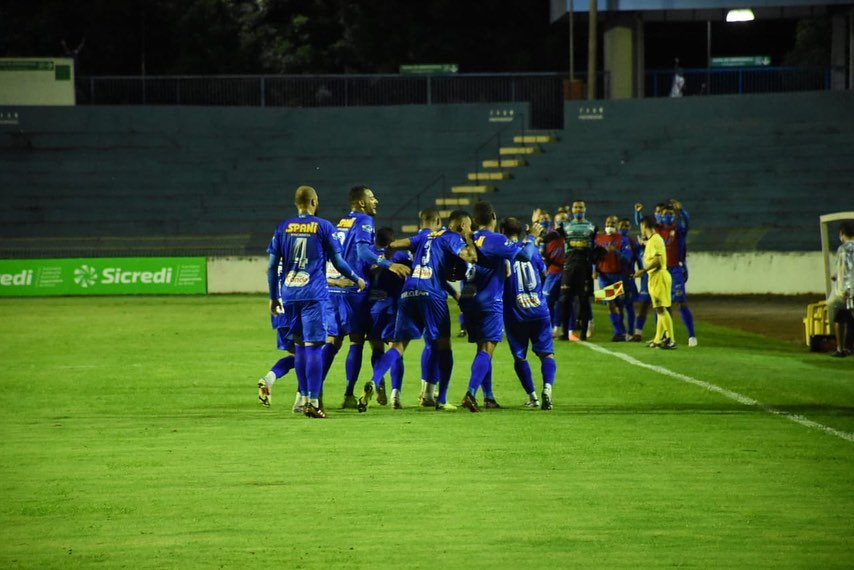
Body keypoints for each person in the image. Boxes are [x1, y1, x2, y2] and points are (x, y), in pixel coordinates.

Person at [359, 210, 478, 412]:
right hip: (432, 293)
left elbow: (393, 245)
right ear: (461, 225)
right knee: (444, 346)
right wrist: (468, 238)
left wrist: (389, 260)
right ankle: (442, 399)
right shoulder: (452, 237)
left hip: (408, 292)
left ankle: (374, 380)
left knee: (398, 346)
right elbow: (471, 257)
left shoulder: (422, 237)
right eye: (468, 226)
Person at [267, 185, 365, 418]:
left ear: (296, 203)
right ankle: (313, 401)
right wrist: (356, 278)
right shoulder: (323, 227)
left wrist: (273, 297)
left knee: (300, 347)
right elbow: (338, 262)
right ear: (313, 202)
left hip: (289, 294)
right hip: (313, 294)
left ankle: (302, 400)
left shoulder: (282, 227)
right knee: (313, 347)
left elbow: (271, 267)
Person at [323, 186, 410, 409]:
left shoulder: (342, 223)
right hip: (355, 289)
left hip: (335, 289)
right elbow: (362, 252)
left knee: (333, 342)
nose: (376, 201)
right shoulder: (364, 220)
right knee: (357, 342)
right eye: (371, 198)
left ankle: (310, 392)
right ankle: (348, 394)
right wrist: (388, 264)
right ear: (361, 203)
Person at [458, 201, 544, 412]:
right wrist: (532, 237)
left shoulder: (469, 238)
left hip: (468, 299)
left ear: (475, 220)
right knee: (487, 349)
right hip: (489, 301)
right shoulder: (495, 239)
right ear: (494, 217)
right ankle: (470, 393)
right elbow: (525, 256)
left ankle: (488, 397)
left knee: (482, 349)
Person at [501, 216, 556, 410]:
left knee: (519, 357)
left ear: (501, 231)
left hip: (516, 312)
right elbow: (543, 271)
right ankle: (547, 388)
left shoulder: (502, 252)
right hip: (539, 309)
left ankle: (533, 397)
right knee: (547, 354)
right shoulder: (531, 250)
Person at [367, 227, 412, 407]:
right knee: (396, 350)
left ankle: (379, 384)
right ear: (393, 241)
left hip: (373, 308)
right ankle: (395, 395)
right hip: (394, 307)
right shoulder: (401, 256)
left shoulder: (368, 254)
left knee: (376, 349)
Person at [658, 200, 697, 347]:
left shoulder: (678, 229)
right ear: (660, 216)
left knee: (680, 301)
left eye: (670, 214)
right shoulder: (657, 230)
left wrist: (681, 211)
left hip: (675, 269)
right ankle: (666, 336)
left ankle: (692, 336)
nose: (668, 216)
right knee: (663, 304)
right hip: (661, 270)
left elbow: (687, 223)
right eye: (665, 214)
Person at [633, 215, 675, 349]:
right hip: (656, 277)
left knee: (660, 308)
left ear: (644, 226)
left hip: (658, 276)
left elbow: (657, 260)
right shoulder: (653, 240)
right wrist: (644, 243)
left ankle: (670, 339)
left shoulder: (655, 240)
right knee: (659, 309)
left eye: (641, 226)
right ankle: (658, 339)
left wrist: (643, 270)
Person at [557, 200, 597, 341]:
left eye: (581, 207)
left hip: (585, 267)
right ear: (572, 210)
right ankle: (564, 332)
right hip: (569, 266)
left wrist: (594, 268)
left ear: (585, 209)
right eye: (576, 207)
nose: (578, 209)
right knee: (565, 299)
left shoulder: (592, 227)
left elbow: (595, 249)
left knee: (584, 300)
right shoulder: (566, 226)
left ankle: (584, 333)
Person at [593, 215, 629, 341]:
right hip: (603, 275)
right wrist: (594, 270)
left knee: (619, 305)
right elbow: (594, 256)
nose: (609, 225)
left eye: (612, 223)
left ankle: (622, 331)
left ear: (617, 224)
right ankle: (618, 331)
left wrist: (615, 251)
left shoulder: (622, 239)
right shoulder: (599, 238)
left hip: (617, 274)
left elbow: (627, 258)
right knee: (609, 302)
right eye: (608, 222)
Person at [539, 208, 567, 338]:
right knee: (546, 300)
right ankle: (548, 327)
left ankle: (560, 327)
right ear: (554, 222)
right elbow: (542, 254)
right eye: (559, 220)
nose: (562, 222)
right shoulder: (548, 237)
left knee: (563, 301)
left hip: (566, 272)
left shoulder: (571, 236)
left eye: (564, 220)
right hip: (551, 272)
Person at [828, 221, 854, 357]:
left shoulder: (842, 249)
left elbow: (842, 269)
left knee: (839, 319)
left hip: (844, 290)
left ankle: (840, 349)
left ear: (842, 233)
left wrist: (836, 277)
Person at [618, 217, 640, 340]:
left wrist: (641, 270)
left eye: (626, 226)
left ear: (630, 228)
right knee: (617, 306)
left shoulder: (632, 242)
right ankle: (620, 332)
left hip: (628, 278)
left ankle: (630, 332)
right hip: (615, 278)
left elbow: (637, 258)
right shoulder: (613, 240)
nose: (624, 228)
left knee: (629, 305)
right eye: (622, 225)